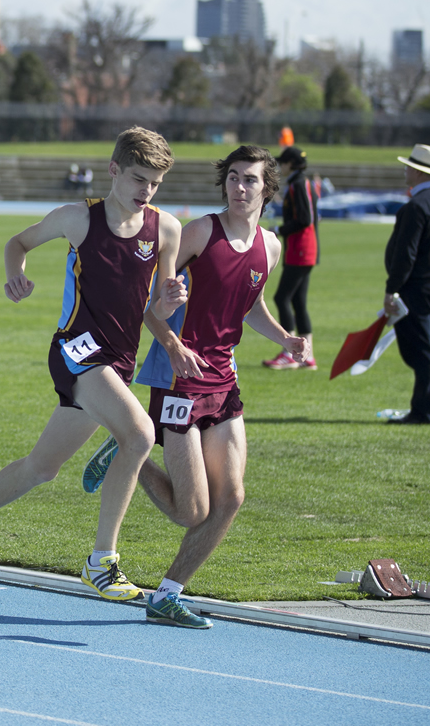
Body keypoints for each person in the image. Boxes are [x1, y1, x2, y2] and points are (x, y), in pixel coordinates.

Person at [0, 126, 185, 599]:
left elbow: (157, 305)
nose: (146, 191)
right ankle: (102, 562)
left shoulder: (166, 229)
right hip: (76, 349)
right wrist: (17, 276)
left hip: (118, 360)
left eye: (155, 184)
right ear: (114, 170)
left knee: (41, 468)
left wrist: (172, 306)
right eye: (138, 179)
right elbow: (18, 243)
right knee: (139, 435)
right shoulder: (78, 219)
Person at [133, 146, 309, 629]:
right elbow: (150, 307)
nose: (239, 187)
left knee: (231, 498)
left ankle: (167, 594)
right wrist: (171, 341)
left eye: (249, 180)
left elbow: (250, 307)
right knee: (192, 510)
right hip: (179, 379)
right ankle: (128, 453)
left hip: (224, 383)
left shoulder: (270, 247)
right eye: (232, 178)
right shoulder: (200, 232)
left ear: (266, 189)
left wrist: (285, 339)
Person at [383, 144, 430, 425]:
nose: (405, 170)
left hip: (417, 288)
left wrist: (391, 289)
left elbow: (406, 255)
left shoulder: (416, 207)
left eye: (409, 166)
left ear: (417, 171)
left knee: (421, 351)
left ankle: (424, 410)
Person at [263, 145, 319, 371]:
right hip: (304, 249)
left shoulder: (298, 184)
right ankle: (308, 355)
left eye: (282, 163)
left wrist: (280, 228)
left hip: (301, 250)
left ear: (290, 164)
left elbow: (305, 219)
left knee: (281, 298)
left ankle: (289, 352)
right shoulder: (302, 183)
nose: (280, 166)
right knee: (297, 301)